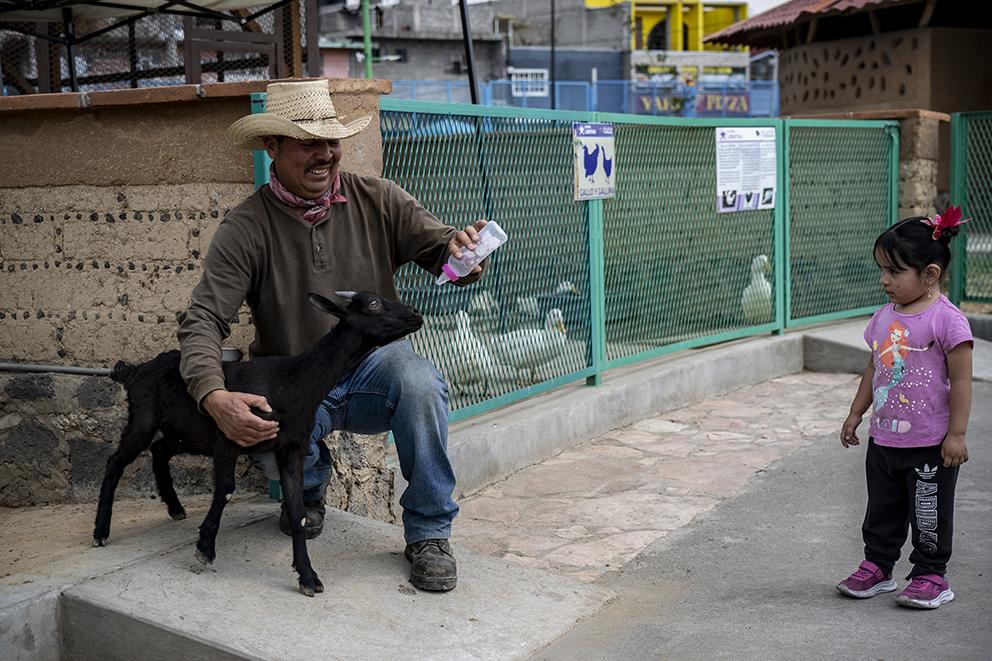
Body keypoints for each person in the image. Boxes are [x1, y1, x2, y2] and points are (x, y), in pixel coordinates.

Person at [177, 79, 488, 592]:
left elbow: (444, 255)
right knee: (258, 428)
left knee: (420, 382)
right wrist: (213, 396)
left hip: (372, 369)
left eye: (331, 141)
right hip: (294, 376)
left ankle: (430, 534)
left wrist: (465, 253)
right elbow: (204, 319)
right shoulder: (246, 227)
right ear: (272, 147)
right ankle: (309, 493)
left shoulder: (379, 198)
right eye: (308, 143)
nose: (325, 155)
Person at [837, 206, 973, 609]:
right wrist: (856, 412)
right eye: (882, 269)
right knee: (882, 508)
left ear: (929, 274)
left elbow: (962, 381)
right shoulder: (883, 318)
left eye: (894, 272)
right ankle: (878, 567)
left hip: (930, 442)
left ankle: (932, 574)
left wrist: (957, 435)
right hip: (885, 439)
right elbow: (873, 366)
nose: (884, 280)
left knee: (928, 512)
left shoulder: (947, 322)